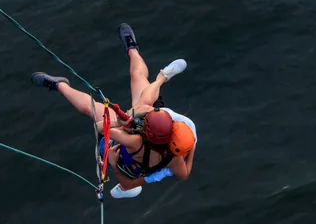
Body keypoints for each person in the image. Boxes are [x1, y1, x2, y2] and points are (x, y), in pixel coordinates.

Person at [31, 23, 197, 198]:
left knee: (92, 109)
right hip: (134, 154)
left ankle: (60, 85)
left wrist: (114, 154)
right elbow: (184, 175)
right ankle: (132, 49)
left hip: (117, 149)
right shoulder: (174, 158)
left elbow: (100, 128)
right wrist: (191, 146)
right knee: (138, 78)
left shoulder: (135, 140)